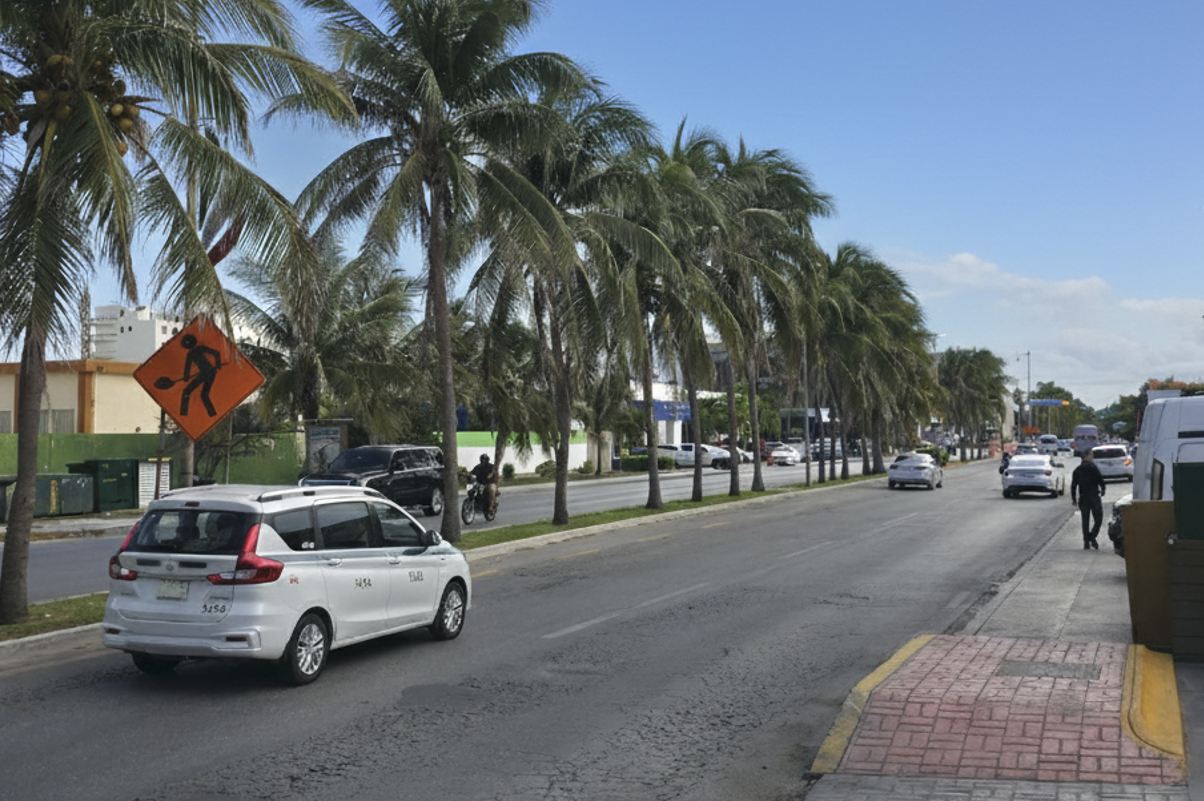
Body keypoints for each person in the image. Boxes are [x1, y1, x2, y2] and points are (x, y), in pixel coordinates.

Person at [1071, 451, 1107, 550]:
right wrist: (1103, 489)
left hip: (1084, 498)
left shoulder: (1078, 470)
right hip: (1093, 497)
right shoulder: (1092, 468)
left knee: (1085, 521)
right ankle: (1091, 537)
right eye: (1091, 456)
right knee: (1098, 518)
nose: (1092, 458)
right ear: (1086, 457)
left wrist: (1074, 498)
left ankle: (1087, 540)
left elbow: (1073, 486)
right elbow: (1101, 480)